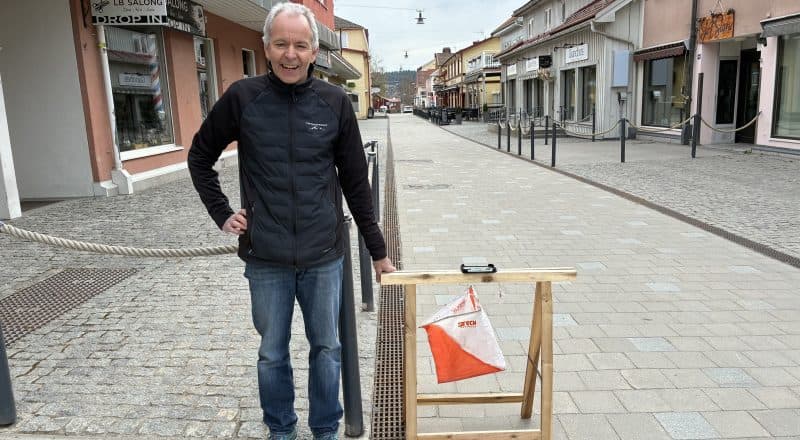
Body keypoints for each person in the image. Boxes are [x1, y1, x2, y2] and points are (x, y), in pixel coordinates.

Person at [187, 3, 396, 440]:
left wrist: (378, 252)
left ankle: (325, 431)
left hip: (324, 255)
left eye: (300, 45)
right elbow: (200, 156)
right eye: (281, 43)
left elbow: (357, 183)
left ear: (314, 51)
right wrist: (223, 214)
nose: (290, 54)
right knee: (271, 352)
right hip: (266, 257)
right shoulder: (244, 98)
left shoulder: (335, 102)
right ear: (266, 47)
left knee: (328, 348)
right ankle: (280, 431)